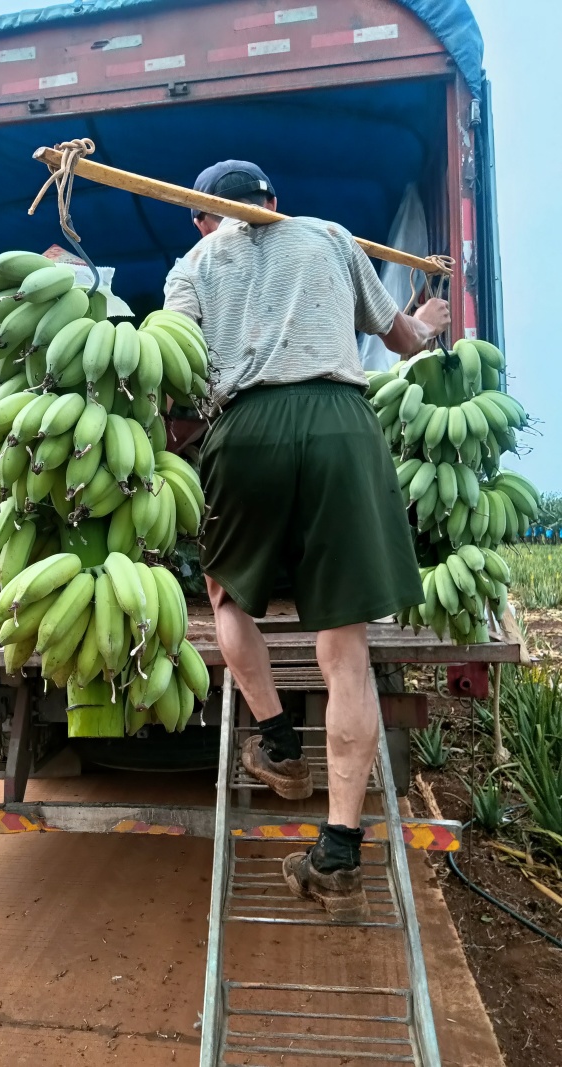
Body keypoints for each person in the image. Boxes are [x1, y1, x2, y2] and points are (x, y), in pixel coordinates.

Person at [163, 161, 451, 921]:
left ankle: (278, 741)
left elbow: (180, 378)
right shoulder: (328, 236)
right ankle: (338, 851)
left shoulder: (192, 265)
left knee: (227, 590)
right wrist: (434, 320)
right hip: (341, 429)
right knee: (343, 646)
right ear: (273, 203)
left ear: (203, 214)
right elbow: (404, 338)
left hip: (245, 431)